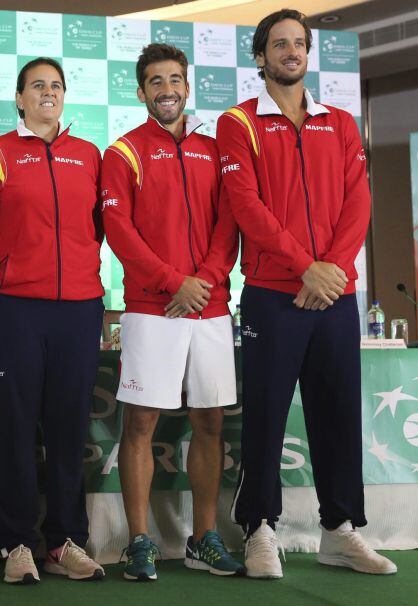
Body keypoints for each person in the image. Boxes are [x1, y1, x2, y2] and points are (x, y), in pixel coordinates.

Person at [216, 8, 397, 579]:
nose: (290, 52)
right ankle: (260, 529)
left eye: (299, 43)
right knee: (267, 415)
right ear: (260, 55)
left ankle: (340, 531)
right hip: (274, 294)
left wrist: (333, 270)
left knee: (338, 414)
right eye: (279, 44)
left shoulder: (340, 123)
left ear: (307, 53)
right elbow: (248, 206)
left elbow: (358, 201)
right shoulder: (237, 123)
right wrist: (305, 269)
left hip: (335, 294)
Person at [0, 57, 105, 584]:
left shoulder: (89, 155)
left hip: (78, 309)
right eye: (37, 86)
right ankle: (17, 541)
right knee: (16, 428)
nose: (48, 93)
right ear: (19, 98)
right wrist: (3, 269)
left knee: (69, 430)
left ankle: (66, 542)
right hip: (14, 309)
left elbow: (97, 227)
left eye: (56, 86)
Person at [101, 44, 243, 581]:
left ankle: (202, 538)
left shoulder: (213, 148)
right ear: (141, 92)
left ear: (187, 87)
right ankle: (139, 541)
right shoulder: (123, 152)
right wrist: (170, 283)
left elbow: (230, 221)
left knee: (210, 421)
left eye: (175, 80)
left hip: (208, 307)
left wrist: (203, 282)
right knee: (140, 423)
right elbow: (120, 232)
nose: (167, 89)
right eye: (156, 81)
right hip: (150, 308)